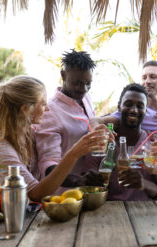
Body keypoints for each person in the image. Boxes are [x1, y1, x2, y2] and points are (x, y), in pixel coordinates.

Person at [0, 76, 108, 202]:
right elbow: (36, 193)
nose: (48, 109)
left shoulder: (28, 133)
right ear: (25, 109)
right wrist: (74, 154)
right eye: (43, 104)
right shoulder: (0, 148)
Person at [34, 49, 106, 194]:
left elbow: (92, 123)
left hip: (86, 192)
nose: (83, 89)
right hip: (62, 197)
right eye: (78, 83)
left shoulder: (86, 99)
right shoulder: (50, 112)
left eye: (88, 83)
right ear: (63, 75)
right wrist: (79, 180)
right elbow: (48, 167)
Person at [84, 83, 157, 200]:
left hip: (145, 213)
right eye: (128, 104)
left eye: (140, 106)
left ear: (146, 110)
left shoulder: (154, 144)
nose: (134, 110)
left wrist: (144, 184)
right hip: (108, 213)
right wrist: (94, 182)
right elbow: (87, 185)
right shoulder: (103, 143)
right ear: (119, 107)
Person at [90, 60, 157, 138]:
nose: (147, 81)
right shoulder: (136, 110)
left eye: (153, 77)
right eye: (144, 78)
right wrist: (97, 131)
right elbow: (96, 121)